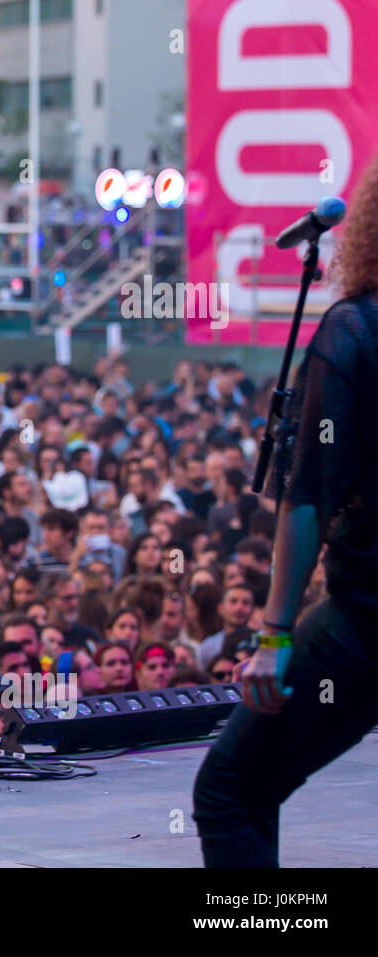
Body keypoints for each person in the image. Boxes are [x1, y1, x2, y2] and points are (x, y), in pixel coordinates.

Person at [193, 151, 378, 867]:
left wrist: (274, 634)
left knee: (231, 788)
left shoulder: (354, 332)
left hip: (367, 618)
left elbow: (307, 497)